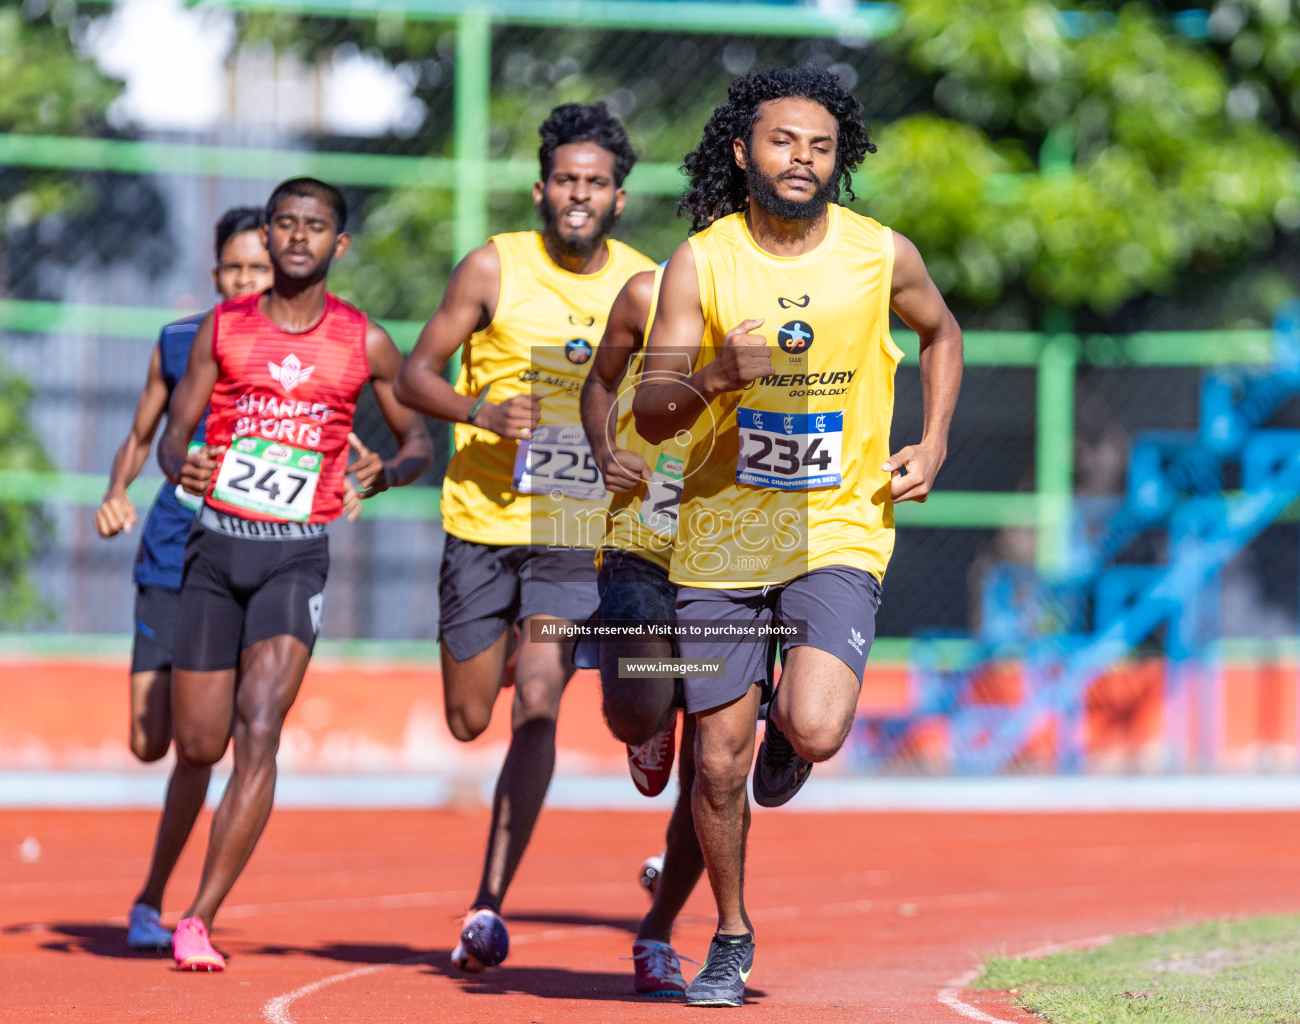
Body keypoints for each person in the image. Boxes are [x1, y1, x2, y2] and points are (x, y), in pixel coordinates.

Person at [633, 67, 964, 1007]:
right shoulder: (702, 262)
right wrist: (712, 379)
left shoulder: (879, 253)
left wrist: (933, 439)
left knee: (813, 729)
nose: (801, 160)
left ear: (838, 159)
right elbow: (654, 416)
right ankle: (731, 933)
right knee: (714, 763)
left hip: (839, 527)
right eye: (783, 142)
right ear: (744, 151)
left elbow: (943, 336)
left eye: (820, 146)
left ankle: (790, 733)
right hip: (721, 535)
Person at [392, 103, 655, 972]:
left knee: (538, 703)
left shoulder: (647, 283)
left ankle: (487, 902)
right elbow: (411, 374)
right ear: (543, 190)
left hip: (574, 531)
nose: (580, 195)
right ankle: (507, 649)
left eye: (598, 184)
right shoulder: (491, 268)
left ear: (619, 199)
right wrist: (481, 411)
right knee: (471, 720)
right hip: (481, 522)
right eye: (568, 181)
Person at [155, 177, 432, 971]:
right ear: (268, 238)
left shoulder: (363, 340)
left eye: (316, 226)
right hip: (214, 550)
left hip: (296, 551)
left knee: (261, 725)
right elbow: (174, 438)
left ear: (338, 245)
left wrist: (383, 474)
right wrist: (190, 466)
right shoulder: (225, 328)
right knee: (201, 741)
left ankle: (198, 918)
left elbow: (416, 443)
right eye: (285, 224)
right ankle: (188, 894)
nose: (299, 237)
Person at [93, 206, 271, 950]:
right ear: (214, 273)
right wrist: (116, 490)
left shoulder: (305, 346)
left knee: (203, 743)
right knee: (147, 738)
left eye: (258, 268)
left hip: (244, 552)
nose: (245, 280)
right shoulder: (178, 341)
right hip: (171, 547)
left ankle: (156, 899)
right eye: (234, 268)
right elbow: (143, 430)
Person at [579, 266, 707, 997]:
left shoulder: (809, 303)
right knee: (637, 705)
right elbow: (600, 382)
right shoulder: (645, 293)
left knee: (713, 769)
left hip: (739, 555)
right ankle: (650, 719)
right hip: (642, 539)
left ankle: (657, 934)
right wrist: (604, 450)